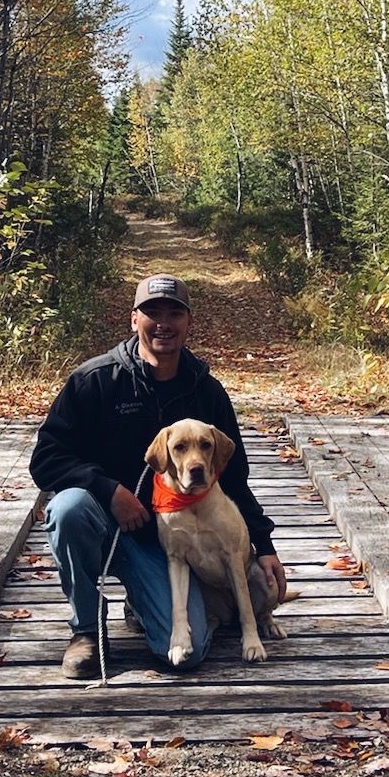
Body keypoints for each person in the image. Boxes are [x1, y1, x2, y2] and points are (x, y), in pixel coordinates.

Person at [29, 274, 288, 678]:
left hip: (164, 542)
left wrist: (263, 543)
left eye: (174, 313)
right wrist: (108, 489)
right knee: (68, 507)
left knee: (192, 651)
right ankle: (85, 628)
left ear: (189, 323)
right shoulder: (94, 381)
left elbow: (233, 477)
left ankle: (142, 601)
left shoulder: (207, 393)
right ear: (134, 320)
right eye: (152, 313)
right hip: (103, 524)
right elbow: (45, 459)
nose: (163, 323)